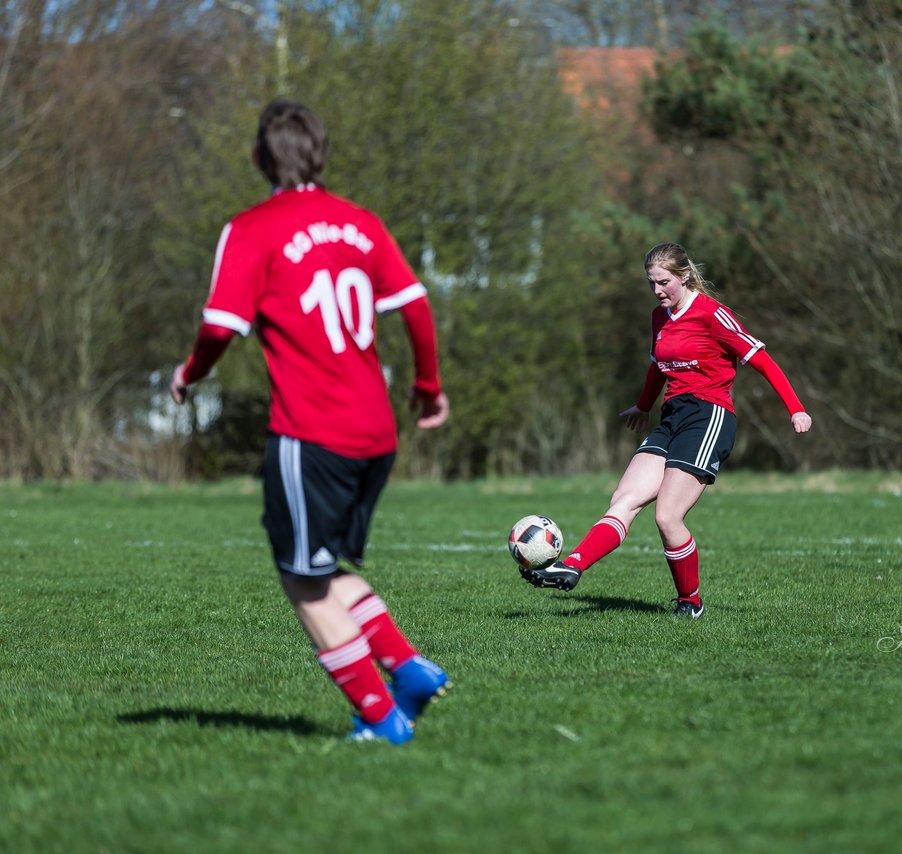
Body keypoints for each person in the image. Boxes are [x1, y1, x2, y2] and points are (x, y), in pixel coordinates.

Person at [170, 99, 452, 743]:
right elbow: (415, 305)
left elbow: (220, 325)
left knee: (302, 580)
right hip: (376, 431)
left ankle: (382, 719)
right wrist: (428, 387)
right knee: (322, 568)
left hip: (311, 433)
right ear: (322, 153)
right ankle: (408, 670)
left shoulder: (252, 227)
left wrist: (191, 371)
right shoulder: (361, 223)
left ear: (258, 158)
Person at [522, 242, 813, 617]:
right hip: (672, 417)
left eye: (663, 282)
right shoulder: (660, 317)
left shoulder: (713, 315)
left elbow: (762, 361)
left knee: (667, 517)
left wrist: (796, 409)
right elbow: (658, 366)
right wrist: (643, 406)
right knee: (623, 499)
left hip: (709, 417)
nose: (657, 291)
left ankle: (690, 603)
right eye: (651, 283)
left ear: (684, 276)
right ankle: (572, 565)